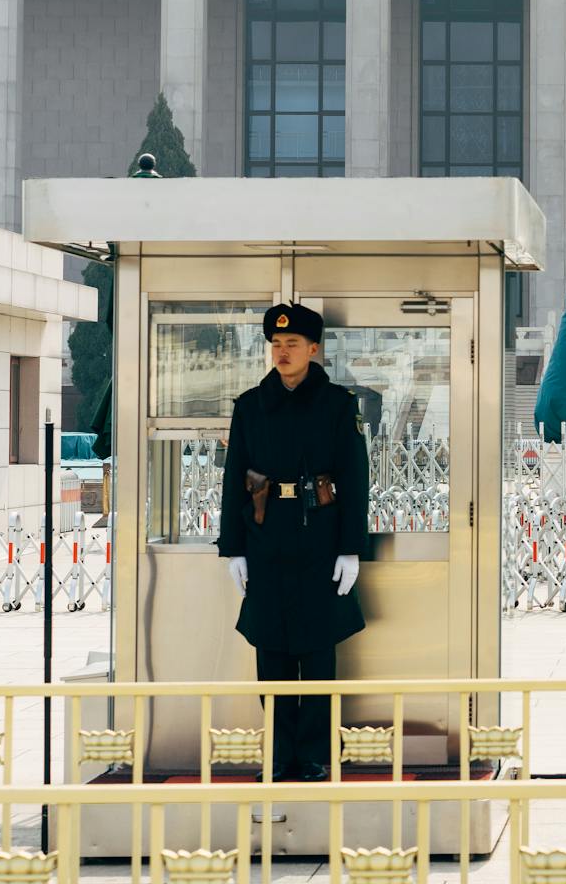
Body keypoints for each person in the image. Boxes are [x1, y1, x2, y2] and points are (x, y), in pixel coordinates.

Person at [217, 303, 369, 781]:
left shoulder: (338, 404)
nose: (282, 352)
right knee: (272, 649)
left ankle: (316, 754)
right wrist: (234, 547)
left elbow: (355, 478)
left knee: (318, 649)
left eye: (293, 345)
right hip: (265, 536)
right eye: (276, 345)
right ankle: (281, 754)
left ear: (313, 348)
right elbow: (233, 478)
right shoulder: (250, 404)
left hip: (320, 537)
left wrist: (351, 548)